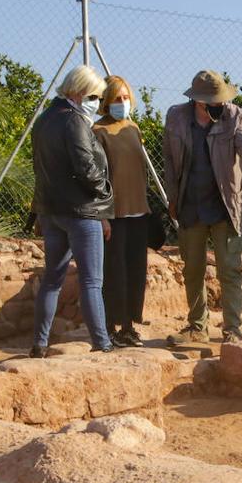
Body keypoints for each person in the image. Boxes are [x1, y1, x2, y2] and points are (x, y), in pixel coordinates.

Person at [163, 70, 242, 344]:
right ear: (198, 101)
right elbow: (170, 162)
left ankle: (232, 329)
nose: (220, 105)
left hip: (226, 206)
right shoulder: (176, 117)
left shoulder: (235, 116)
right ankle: (197, 327)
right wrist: (172, 197)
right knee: (192, 269)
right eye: (213, 102)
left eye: (221, 100)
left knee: (229, 269)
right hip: (190, 205)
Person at [29, 64, 114, 357]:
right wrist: (105, 193)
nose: (97, 104)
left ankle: (39, 343)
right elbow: (86, 167)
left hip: (50, 210)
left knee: (52, 279)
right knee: (92, 280)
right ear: (77, 92)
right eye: (94, 97)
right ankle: (102, 342)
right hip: (81, 211)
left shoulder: (44, 120)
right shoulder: (74, 121)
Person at [93, 75, 150, 348]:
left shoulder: (133, 128)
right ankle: (110, 326)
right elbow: (99, 177)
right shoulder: (98, 131)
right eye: (117, 98)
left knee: (136, 271)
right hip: (113, 214)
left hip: (138, 212)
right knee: (113, 271)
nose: (122, 103)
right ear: (105, 100)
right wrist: (102, 214)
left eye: (126, 97)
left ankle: (129, 325)